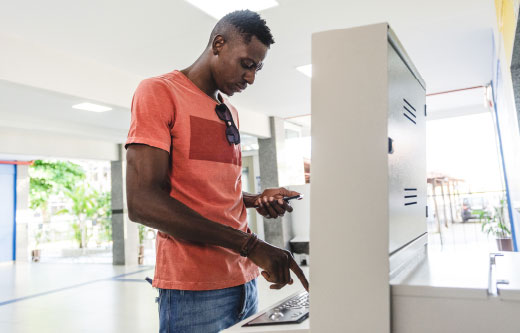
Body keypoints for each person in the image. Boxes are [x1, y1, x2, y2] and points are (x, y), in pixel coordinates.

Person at [125, 9, 309, 333]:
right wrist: (251, 246)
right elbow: (143, 202)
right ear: (218, 44)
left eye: (257, 69)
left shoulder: (231, 112)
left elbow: (212, 191)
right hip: (193, 290)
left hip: (246, 280)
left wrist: (254, 201)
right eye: (247, 64)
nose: (251, 77)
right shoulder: (159, 92)